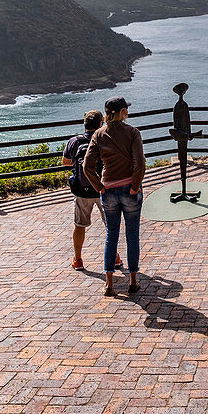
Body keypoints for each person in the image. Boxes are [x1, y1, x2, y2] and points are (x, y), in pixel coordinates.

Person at [83, 95, 146, 297]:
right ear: (122, 112)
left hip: (108, 190)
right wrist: (135, 187)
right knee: (132, 235)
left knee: (112, 235)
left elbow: (87, 167)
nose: (127, 111)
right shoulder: (133, 133)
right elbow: (140, 164)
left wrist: (99, 186)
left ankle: (109, 284)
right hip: (129, 190)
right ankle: (133, 281)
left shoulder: (98, 135)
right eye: (125, 109)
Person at [61, 110, 121, 271]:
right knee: (110, 225)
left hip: (82, 190)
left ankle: (78, 259)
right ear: (101, 124)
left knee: (79, 225)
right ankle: (115, 257)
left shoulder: (75, 141)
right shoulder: (105, 138)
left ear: (85, 124)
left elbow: (65, 161)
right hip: (103, 188)